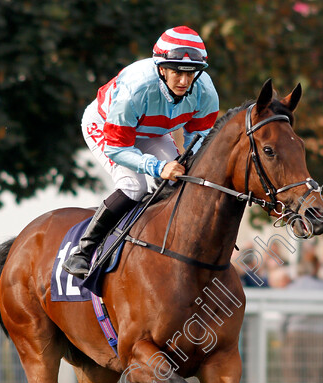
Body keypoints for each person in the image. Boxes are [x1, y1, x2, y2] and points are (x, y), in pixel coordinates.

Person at [63, 26, 219, 278]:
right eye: (177, 72)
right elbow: (118, 148)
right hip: (107, 127)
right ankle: (83, 250)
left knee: (180, 180)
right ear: (161, 68)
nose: (183, 81)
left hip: (152, 130)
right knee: (134, 186)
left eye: (191, 74)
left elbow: (198, 139)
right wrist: (157, 167)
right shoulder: (135, 89)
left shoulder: (206, 92)